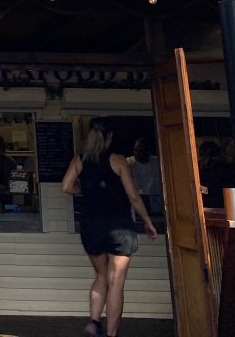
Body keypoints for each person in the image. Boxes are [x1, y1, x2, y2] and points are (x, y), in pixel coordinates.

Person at [62, 118, 158, 337]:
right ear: (110, 137)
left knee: (101, 275)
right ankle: (111, 334)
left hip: (91, 226)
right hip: (119, 226)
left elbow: (66, 186)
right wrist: (147, 220)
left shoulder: (80, 159)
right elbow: (133, 196)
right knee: (116, 282)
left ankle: (94, 322)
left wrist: (86, 190)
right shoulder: (118, 160)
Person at [127, 137, 162, 217]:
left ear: (148, 151)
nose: (137, 153)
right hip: (137, 206)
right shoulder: (129, 163)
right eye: (136, 150)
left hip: (156, 206)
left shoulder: (158, 163)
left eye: (141, 151)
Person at [198, 140, 235, 209]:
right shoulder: (201, 169)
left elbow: (220, 189)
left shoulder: (225, 169)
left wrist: (203, 189)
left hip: (222, 206)